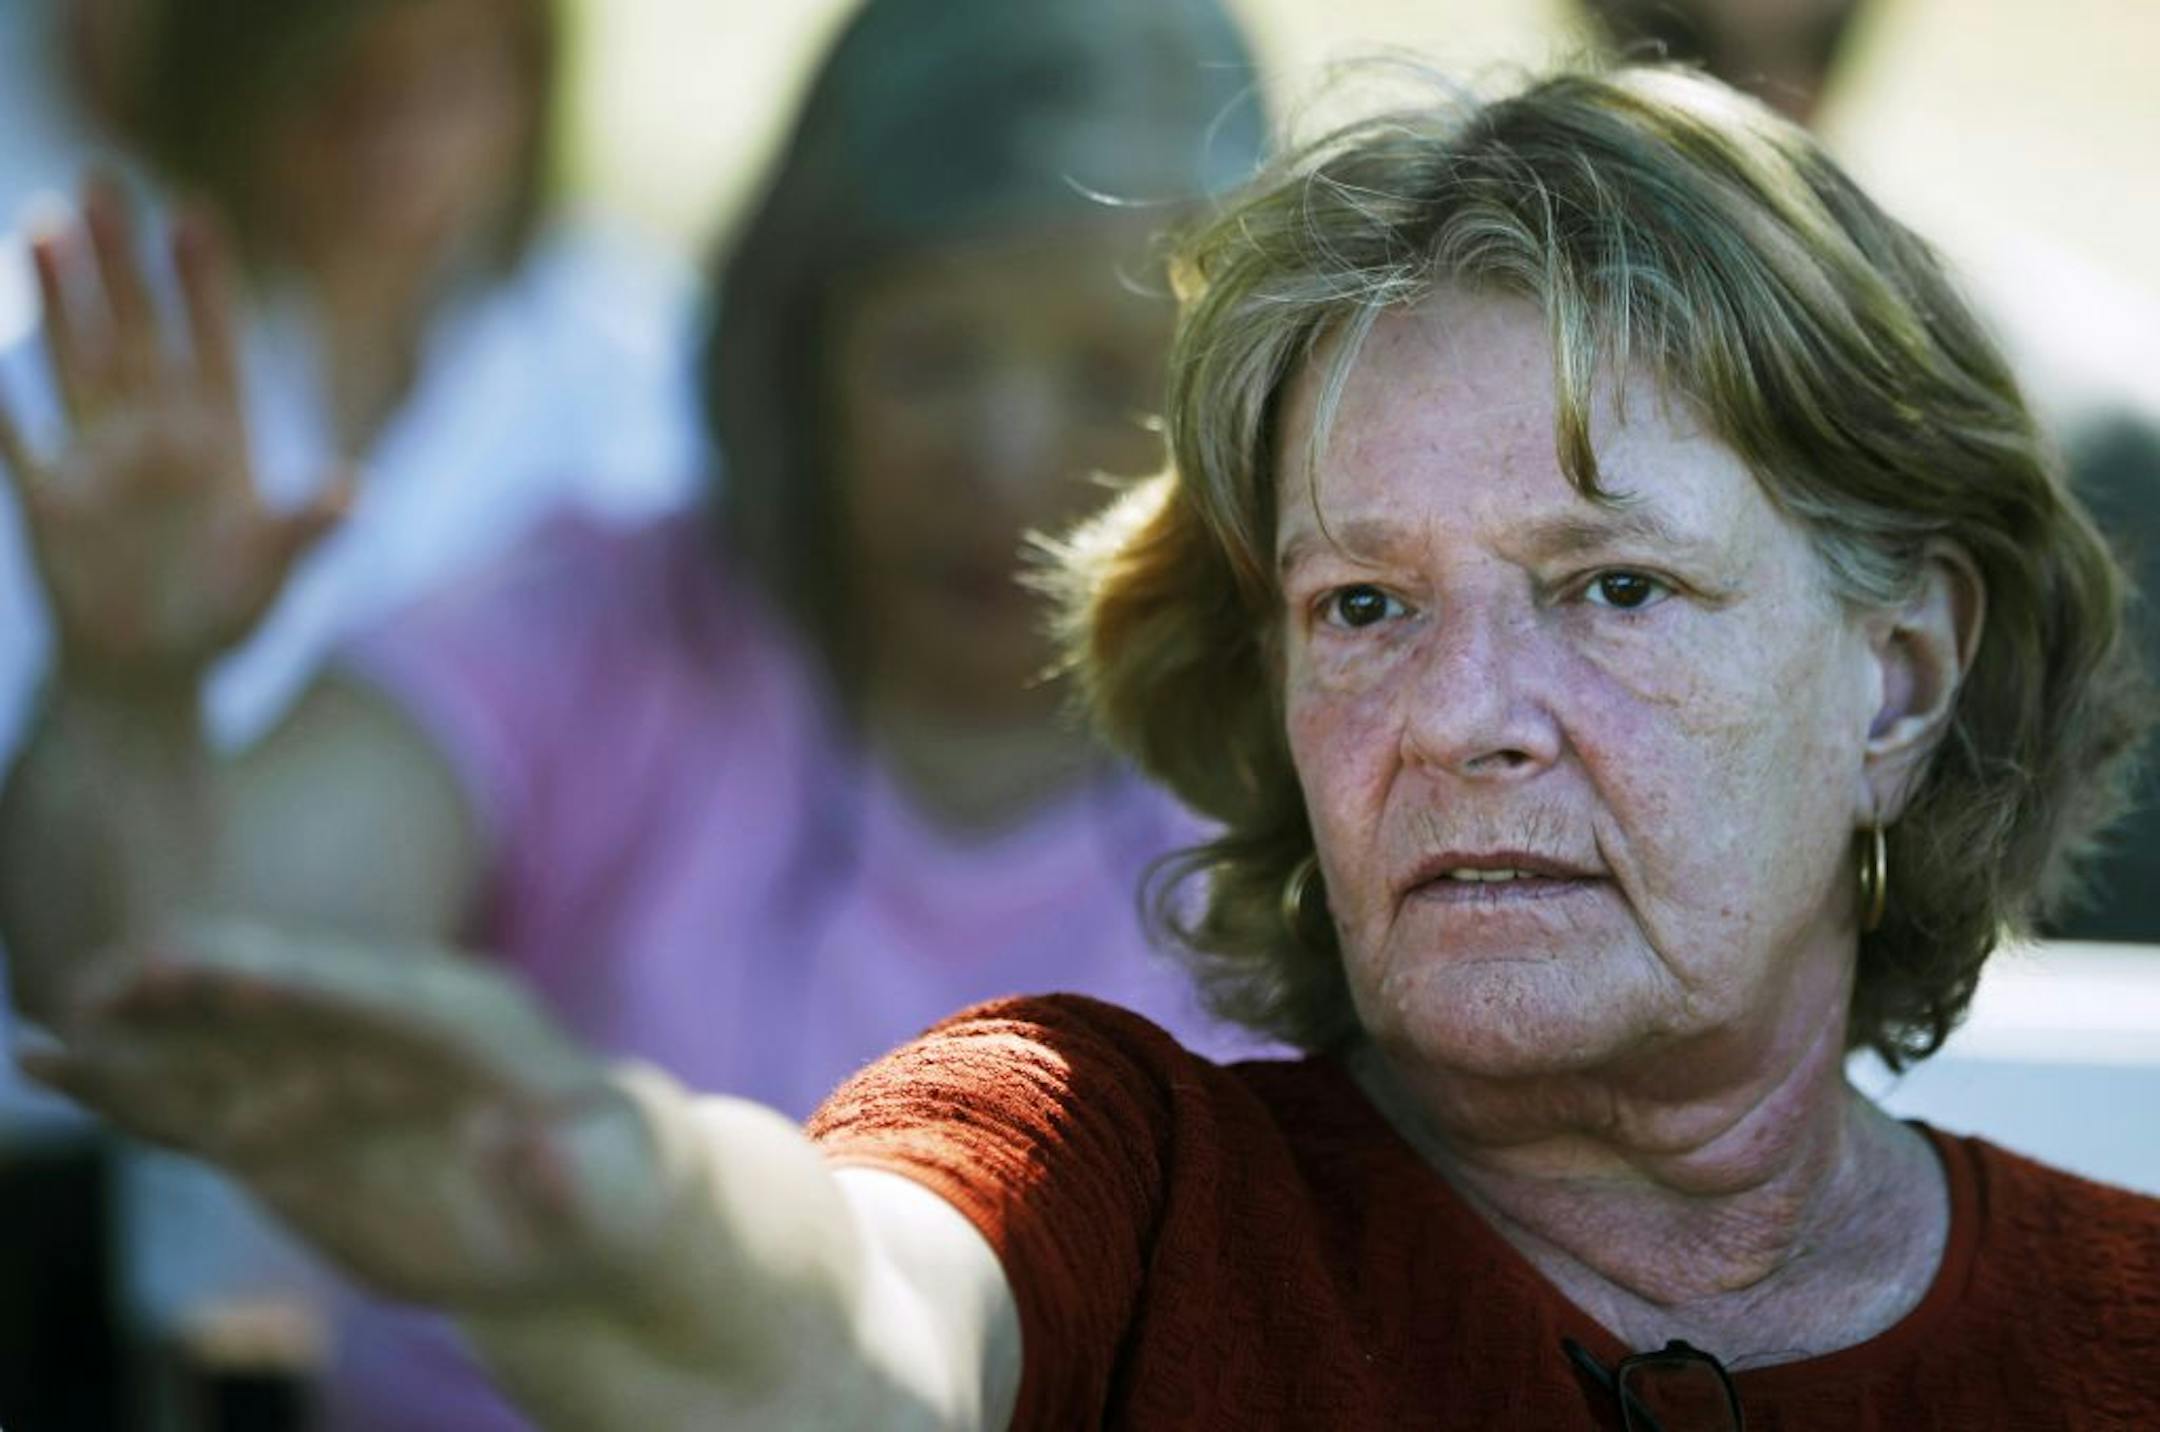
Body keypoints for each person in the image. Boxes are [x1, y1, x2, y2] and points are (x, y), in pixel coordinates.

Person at [19, 60, 2160, 1429]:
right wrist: (613, 1217)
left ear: (1898, 679)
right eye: (1366, 604)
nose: (1461, 717)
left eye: (1613, 586)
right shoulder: (1099, 1162)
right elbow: (847, 1323)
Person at [0, 0, 1268, 1424]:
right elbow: (154, 960)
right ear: (797, 352)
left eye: (1107, 377)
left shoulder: (1321, 742)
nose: (1002, 454)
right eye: (928, 354)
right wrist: (124, 694)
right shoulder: (602, 627)